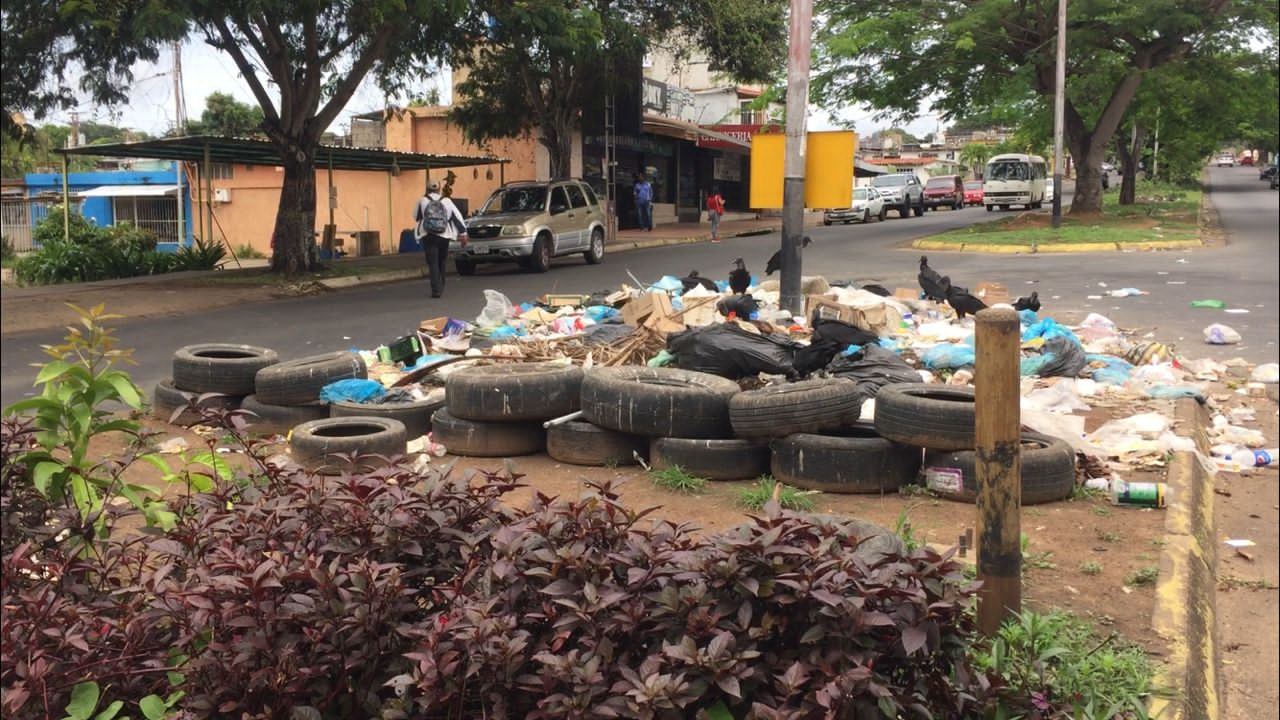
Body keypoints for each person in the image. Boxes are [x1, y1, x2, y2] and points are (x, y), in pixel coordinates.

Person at [414, 179, 468, 298]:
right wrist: (463, 233)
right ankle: (441, 285)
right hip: (444, 235)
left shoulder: (422, 200)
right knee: (442, 261)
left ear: (427, 188)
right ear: (439, 189)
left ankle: (436, 290)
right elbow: (457, 217)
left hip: (428, 235)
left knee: (432, 262)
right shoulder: (447, 201)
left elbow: (416, 217)